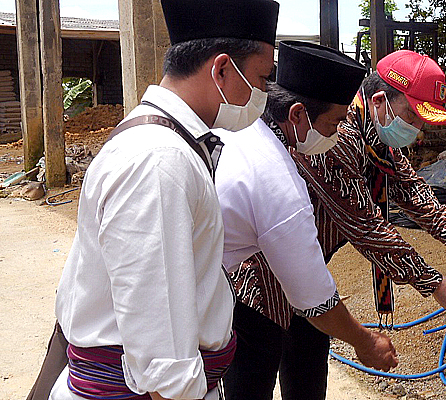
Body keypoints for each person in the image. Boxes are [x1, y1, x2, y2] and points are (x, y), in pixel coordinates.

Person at [39, 0, 280, 399]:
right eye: (261, 77)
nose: (263, 93)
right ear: (221, 69)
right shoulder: (157, 161)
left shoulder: (168, 143)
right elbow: (163, 366)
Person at [228, 49, 446, 400]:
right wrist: (436, 284)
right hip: (257, 285)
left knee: (307, 374)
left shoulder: (374, 136)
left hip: (307, 273)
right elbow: (365, 226)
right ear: (380, 100)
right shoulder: (333, 134)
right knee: (252, 378)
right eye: (412, 116)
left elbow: (409, 186)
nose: (418, 130)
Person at [215, 41, 397, 400]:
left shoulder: (239, 128)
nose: (337, 132)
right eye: (333, 123)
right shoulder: (279, 180)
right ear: (297, 114)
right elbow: (316, 298)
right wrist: (365, 341)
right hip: (248, 294)